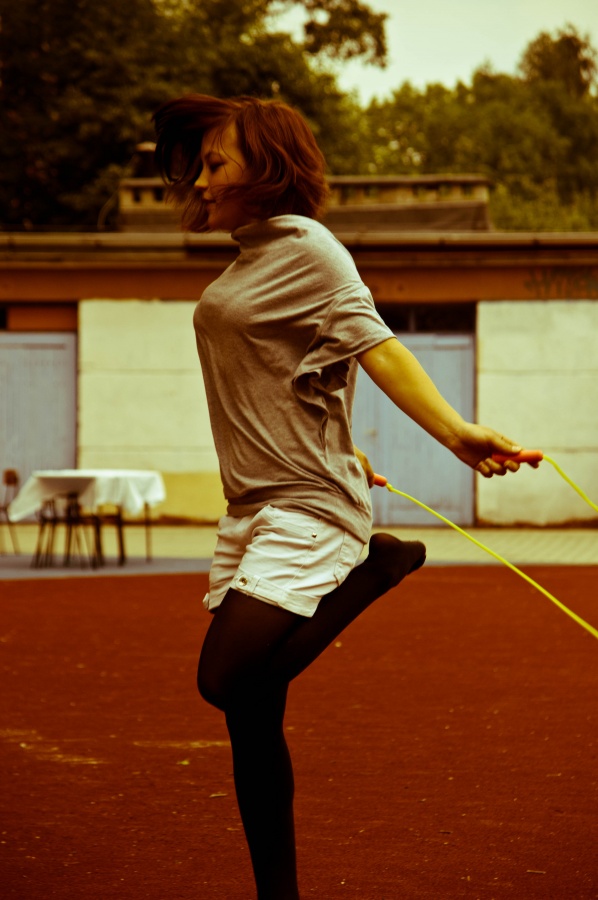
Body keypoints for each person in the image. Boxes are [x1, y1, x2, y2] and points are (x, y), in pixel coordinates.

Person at [153, 94, 529, 900]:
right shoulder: (248, 263)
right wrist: (344, 443)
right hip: (253, 509)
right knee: (253, 718)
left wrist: (455, 433)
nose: (201, 182)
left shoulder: (310, 249)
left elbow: (376, 346)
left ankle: (374, 568)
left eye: (216, 164)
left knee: (224, 677)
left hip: (305, 507)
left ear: (267, 167)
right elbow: (301, 376)